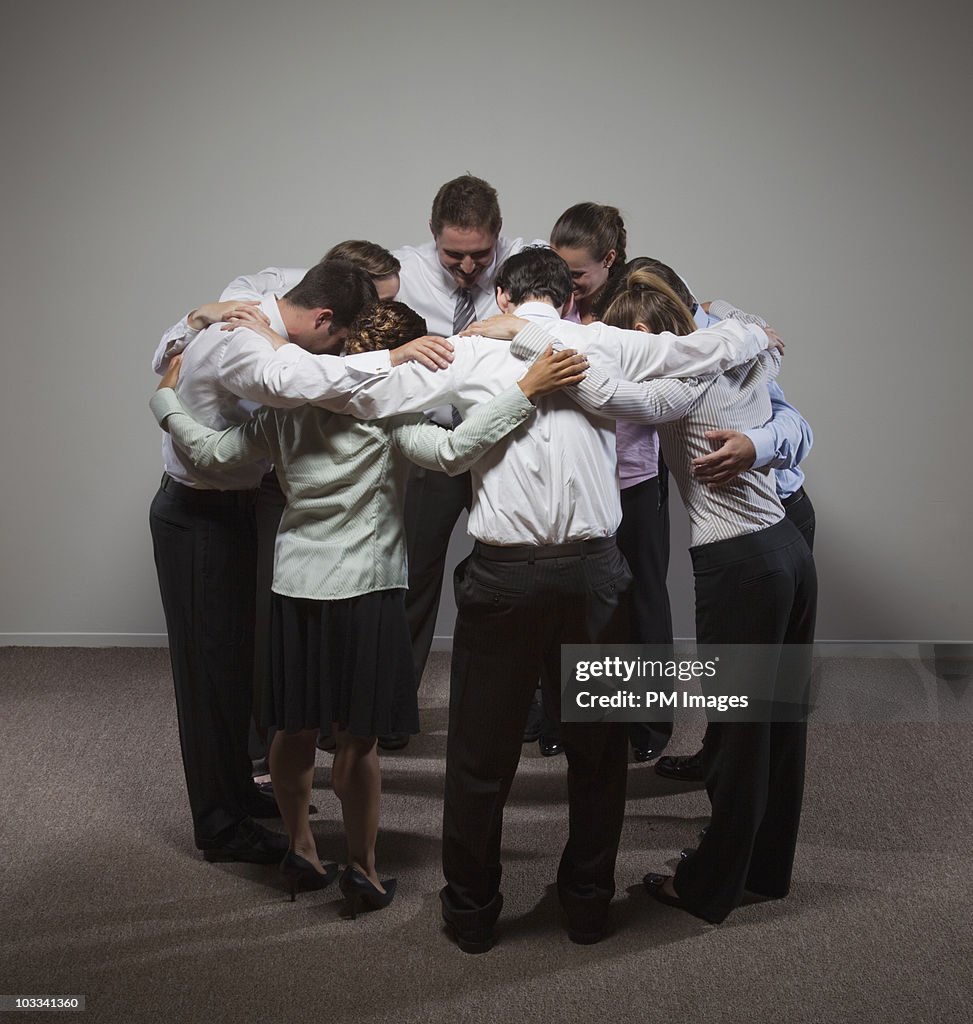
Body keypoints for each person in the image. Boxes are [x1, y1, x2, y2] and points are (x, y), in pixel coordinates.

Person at [240, 244, 776, 945]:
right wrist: (751, 333)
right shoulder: (604, 344)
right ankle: (587, 905)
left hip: (505, 578)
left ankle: (471, 910)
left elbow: (360, 392)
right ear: (569, 299)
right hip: (595, 577)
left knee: (479, 757)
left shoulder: (465, 354)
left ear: (502, 297)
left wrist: (270, 340)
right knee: (598, 756)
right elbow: (696, 351)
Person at [150, 299, 587, 911]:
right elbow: (453, 452)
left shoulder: (286, 411)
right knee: (358, 740)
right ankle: (363, 869)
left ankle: (301, 850)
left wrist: (166, 403)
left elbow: (212, 453)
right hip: (366, 590)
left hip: (296, 588)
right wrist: (526, 390)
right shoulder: (388, 411)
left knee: (293, 727)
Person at [501, 266, 817, 924]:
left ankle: (708, 887)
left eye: (627, 340)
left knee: (736, 736)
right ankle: (764, 872)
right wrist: (741, 321)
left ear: (646, 330)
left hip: (739, 566)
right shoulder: (746, 355)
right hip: (788, 550)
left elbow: (604, 390)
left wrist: (521, 334)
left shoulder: (683, 386)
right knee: (778, 726)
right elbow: (743, 328)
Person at [148, 259, 386, 865]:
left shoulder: (255, 313)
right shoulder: (249, 344)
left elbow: (166, 354)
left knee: (231, 670)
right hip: (198, 518)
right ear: (323, 318)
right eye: (339, 338)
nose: (338, 350)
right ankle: (220, 826)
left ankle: (236, 794)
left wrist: (193, 318)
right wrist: (396, 359)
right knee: (207, 678)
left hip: (227, 511)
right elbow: (299, 382)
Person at [628, 259, 816, 784]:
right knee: (750, 699)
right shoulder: (744, 335)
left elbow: (798, 425)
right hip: (763, 538)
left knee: (762, 697)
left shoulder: (694, 367)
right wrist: (746, 326)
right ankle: (728, 769)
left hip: (781, 517)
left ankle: (734, 803)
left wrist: (755, 446)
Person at [546, 207, 673, 763]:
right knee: (568, 605)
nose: (568, 282)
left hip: (632, 474)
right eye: (562, 271)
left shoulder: (638, 303)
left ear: (610, 259)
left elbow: (698, 328)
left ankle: (648, 723)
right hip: (572, 475)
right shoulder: (553, 303)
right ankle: (563, 716)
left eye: (577, 273)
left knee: (641, 599)